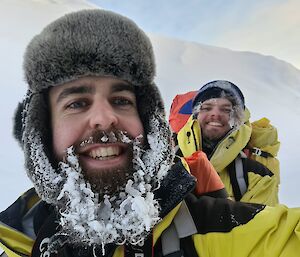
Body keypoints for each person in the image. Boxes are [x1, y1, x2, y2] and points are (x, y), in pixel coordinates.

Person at [0, 9, 299, 257]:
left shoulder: (216, 227)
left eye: (121, 101)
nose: (104, 118)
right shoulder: (15, 239)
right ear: (42, 135)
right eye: (77, 103)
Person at [176, 81, 280, 205]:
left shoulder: (259, 177)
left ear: (236, 119)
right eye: (207, 107)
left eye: (225, 110)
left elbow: (263, 223)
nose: (215, 114)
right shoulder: (169, 159)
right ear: (196, 115)